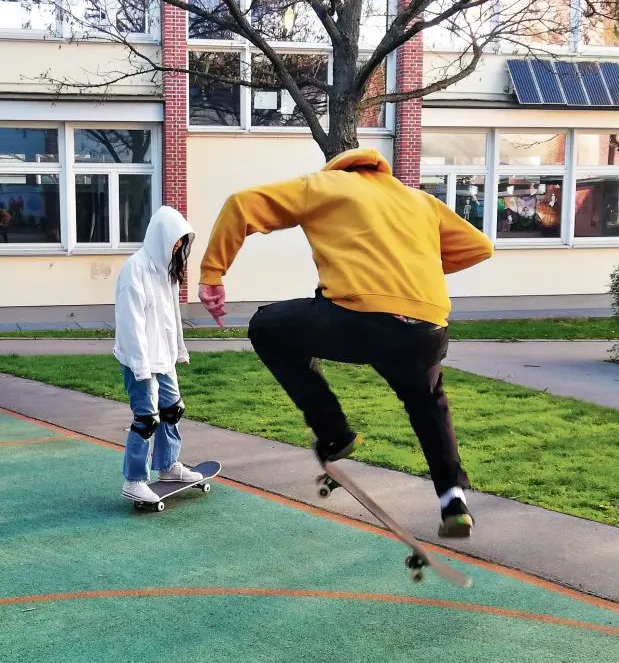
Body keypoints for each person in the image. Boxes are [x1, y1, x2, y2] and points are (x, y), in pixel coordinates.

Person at [197, 147, 493, 537]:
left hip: (358, 319)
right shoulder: (418, 200)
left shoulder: (323, 185)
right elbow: (480, 247)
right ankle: (453, 500)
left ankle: (334, 432)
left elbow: (241, 204)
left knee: (268, 328)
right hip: (425, 328)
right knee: (428, 404)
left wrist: (212, 273)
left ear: (339, 168)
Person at [114, 204, 204, 505]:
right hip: (139, 359)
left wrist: (179, 350)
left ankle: (168, 467)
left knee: (172, 410)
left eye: (182, 241)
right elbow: (131, 323)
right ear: (160, 237)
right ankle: (134, 480)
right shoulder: (135, 269)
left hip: (163, 358)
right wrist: (141, 368)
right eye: (175, 240)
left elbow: (172, 318)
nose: (178, 246)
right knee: (146, 419)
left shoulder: (167, 272)